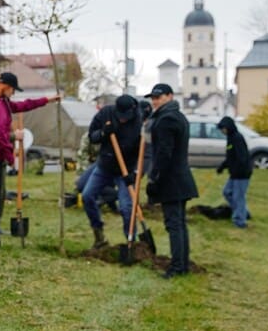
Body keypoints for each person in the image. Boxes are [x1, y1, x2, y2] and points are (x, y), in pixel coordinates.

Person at [0, 71, 58, 248]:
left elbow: (23, 105)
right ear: (6, 88)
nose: (14, 93)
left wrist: (46, 100)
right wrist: (11, 155)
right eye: (13, 90)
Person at [143, 83, 198, 277]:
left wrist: (154, 178)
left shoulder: (167, 120)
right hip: (180, 177)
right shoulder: (178, 117)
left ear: (170, 96)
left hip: (172, 180)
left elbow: (164, 153)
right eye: (153, 98)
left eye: (159, 97)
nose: (155, 101)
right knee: (179, 224)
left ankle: (176, 267)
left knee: (174, 224)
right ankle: (182, 265)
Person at [82, 94, 141, 248]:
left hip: (126, 170)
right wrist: (103, 133)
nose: (122, 119)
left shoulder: (139, 120)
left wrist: (134, 173)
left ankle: (131, 242)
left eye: (125, 117)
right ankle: (99, 235)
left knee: (126, 207)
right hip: (105, 165)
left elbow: (144, 153)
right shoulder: (106, 113)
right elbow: (92, 136)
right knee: (87, 196)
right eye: (120, 116)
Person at [216, 116, 252, 228]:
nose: (222, 131)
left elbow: (242, 158)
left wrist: (237, 170)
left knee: (238, 196)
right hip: (234, 173)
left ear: (228, 127)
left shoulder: (237, 138)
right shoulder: (230, 138)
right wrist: (222, 167)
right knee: (227, 192)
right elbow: (230, 157)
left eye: (223, 129)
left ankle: (240, 221)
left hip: (242, 174)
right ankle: (244, 212)